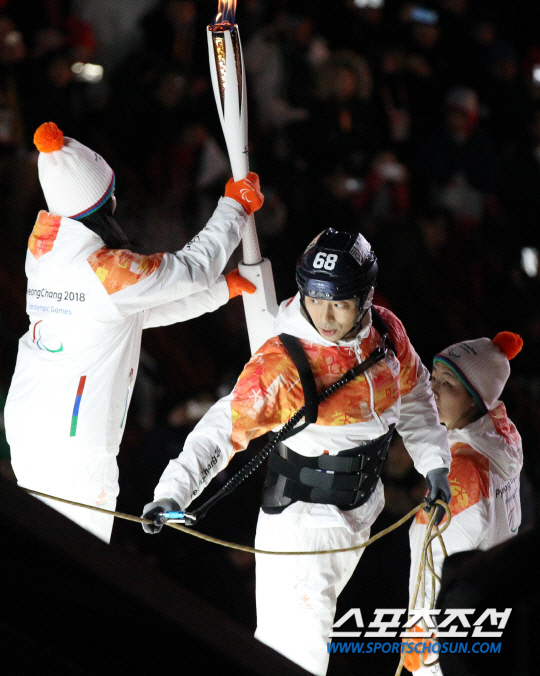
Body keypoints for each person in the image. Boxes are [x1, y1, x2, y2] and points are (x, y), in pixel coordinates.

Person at [142, 228, 452, 676]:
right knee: (293, 653)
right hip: (304, 526)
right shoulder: (283, 365)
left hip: (360, 513)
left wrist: (435, 464)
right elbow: (222, 427)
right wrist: (173, 492)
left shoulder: (385, 331)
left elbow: (418, 394)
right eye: (314, 298)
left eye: (340, 303)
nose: (325, 315)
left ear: (365, 299)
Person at [4, 121, 263, 544]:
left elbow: (127, 317)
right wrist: (233, 208)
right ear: (98, 207)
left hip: (31, 423)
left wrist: (220, 292)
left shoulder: (46, 254)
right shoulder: (104, 271)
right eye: (110, 201)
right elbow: (193, 269)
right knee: (78, 565)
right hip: (75, 446)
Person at [404, 332, 523, 675]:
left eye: (449, 385)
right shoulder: (501, 439)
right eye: (433, 378)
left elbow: (436, 559)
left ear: (475, 400)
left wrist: (420, 633)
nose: (432, 391)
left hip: (444, 645)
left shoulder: (462, 472)